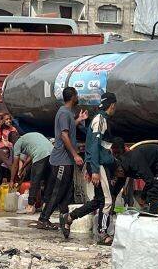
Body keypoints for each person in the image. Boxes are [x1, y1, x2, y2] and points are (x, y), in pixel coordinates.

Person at [60, 92, 118, 244]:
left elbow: (91, 140)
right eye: (114, 106)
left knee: (98, 201)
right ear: (111, 105)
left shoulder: (98, 119)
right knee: (107, 202)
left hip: (97, 164)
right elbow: (94, 146)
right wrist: (95, 170)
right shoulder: (100, 120)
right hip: (100, 165)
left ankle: (70, 217)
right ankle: (102, 233)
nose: (115, 109)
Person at [36, 87, 88, 230]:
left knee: (66, 191)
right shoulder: (64, 113)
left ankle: (63, 219)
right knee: (57, 191)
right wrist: (75, 155)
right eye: (76, 95)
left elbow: (68, 129)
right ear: (72, 97)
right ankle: (43, 219)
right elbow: (64, 135)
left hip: (66, 161)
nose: (78, 98)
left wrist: (79, 120)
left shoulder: (68, 114)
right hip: (61, 160)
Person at [118, 143, 158, 214]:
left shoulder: (135, 163)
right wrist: (114, 195)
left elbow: (150, 181)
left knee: (154, 191)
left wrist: (143, 197)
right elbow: (120, 181)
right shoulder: (125, 165)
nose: (116, 178)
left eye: (116, 175)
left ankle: (153, 216)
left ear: (120, 170)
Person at [10, 132, 53, 214]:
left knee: (35, 181)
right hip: (51, 152)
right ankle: (45, 205)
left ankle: (30, 206)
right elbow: (32, 153)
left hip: (40, 154)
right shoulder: (28, 137)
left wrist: (12, 180)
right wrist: (23, 167)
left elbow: (15, 164)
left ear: (12, 141)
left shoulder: (17, 143)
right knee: (47, 180)